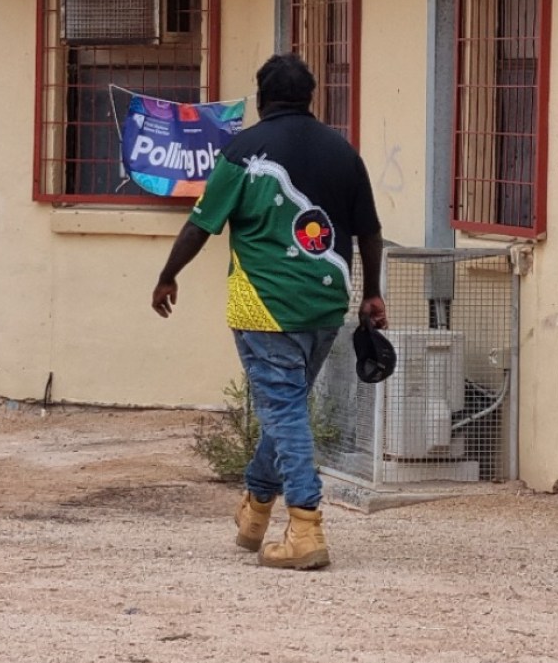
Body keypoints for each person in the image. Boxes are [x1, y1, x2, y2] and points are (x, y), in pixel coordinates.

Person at [151, 54, 386, 570]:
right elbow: (369, 231)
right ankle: (256, 511)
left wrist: (169, 275)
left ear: (261, 98)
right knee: (287, 409)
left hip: (263, 306)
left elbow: (200, 225)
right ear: (311, 95)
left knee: (284, 412)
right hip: (328, 303)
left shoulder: (244, 151)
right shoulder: (343, 152)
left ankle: (305, 527)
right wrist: (372, 293)